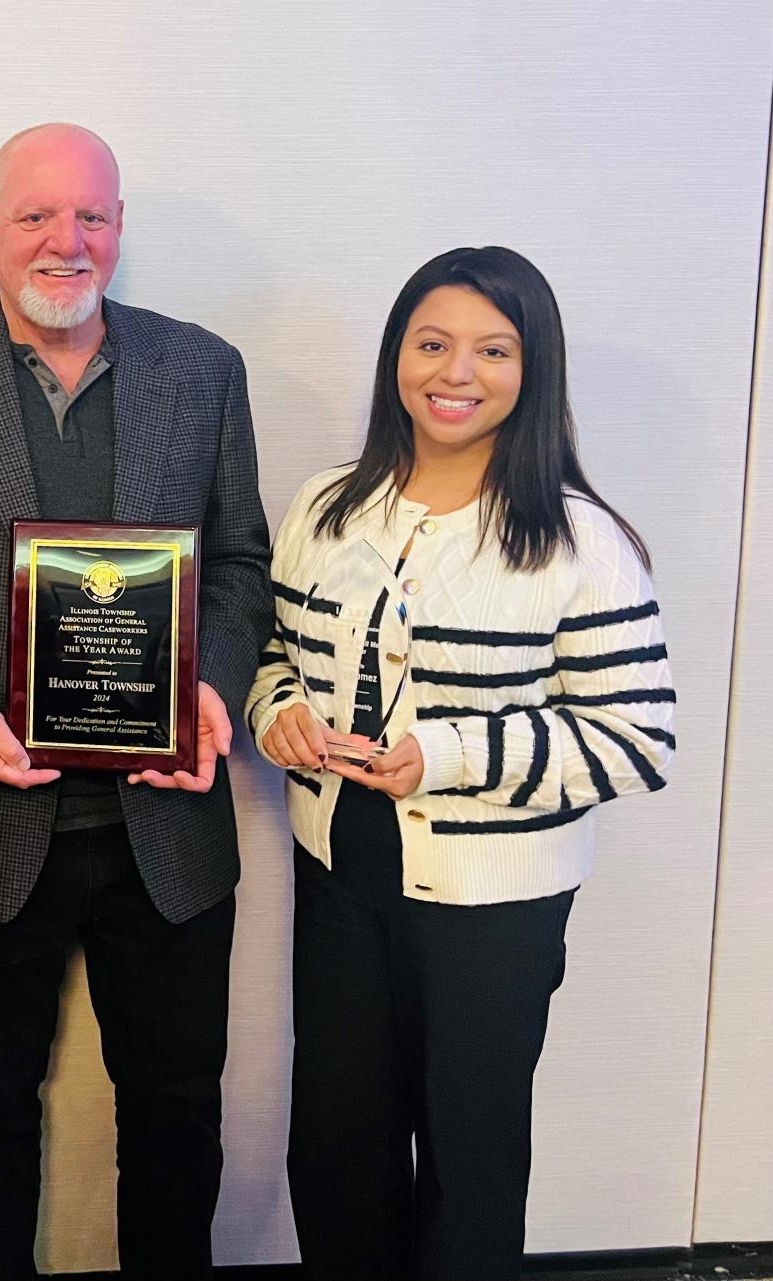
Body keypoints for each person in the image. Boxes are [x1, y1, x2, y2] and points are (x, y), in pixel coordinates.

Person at [0, 123, 272, 1278]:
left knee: (177, 1113)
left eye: (92, 217)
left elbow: (239, 564)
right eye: (36, 215)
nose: (65, 241)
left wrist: (212, 692)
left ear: (119, 231)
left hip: (166, 826)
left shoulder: (205, 369)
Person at [246, 245, 673, 1280]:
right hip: (341, 875)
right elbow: (274, 659)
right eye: (431, 343)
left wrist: (446, 754)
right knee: (337, 1148)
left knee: (470, 1159)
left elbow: (635, 737)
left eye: (493, 349)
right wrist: (278, 718)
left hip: (496, 907)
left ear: (535, 371)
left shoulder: (577, 540)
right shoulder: (326, 508)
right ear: (398, 356)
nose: (456, 371)